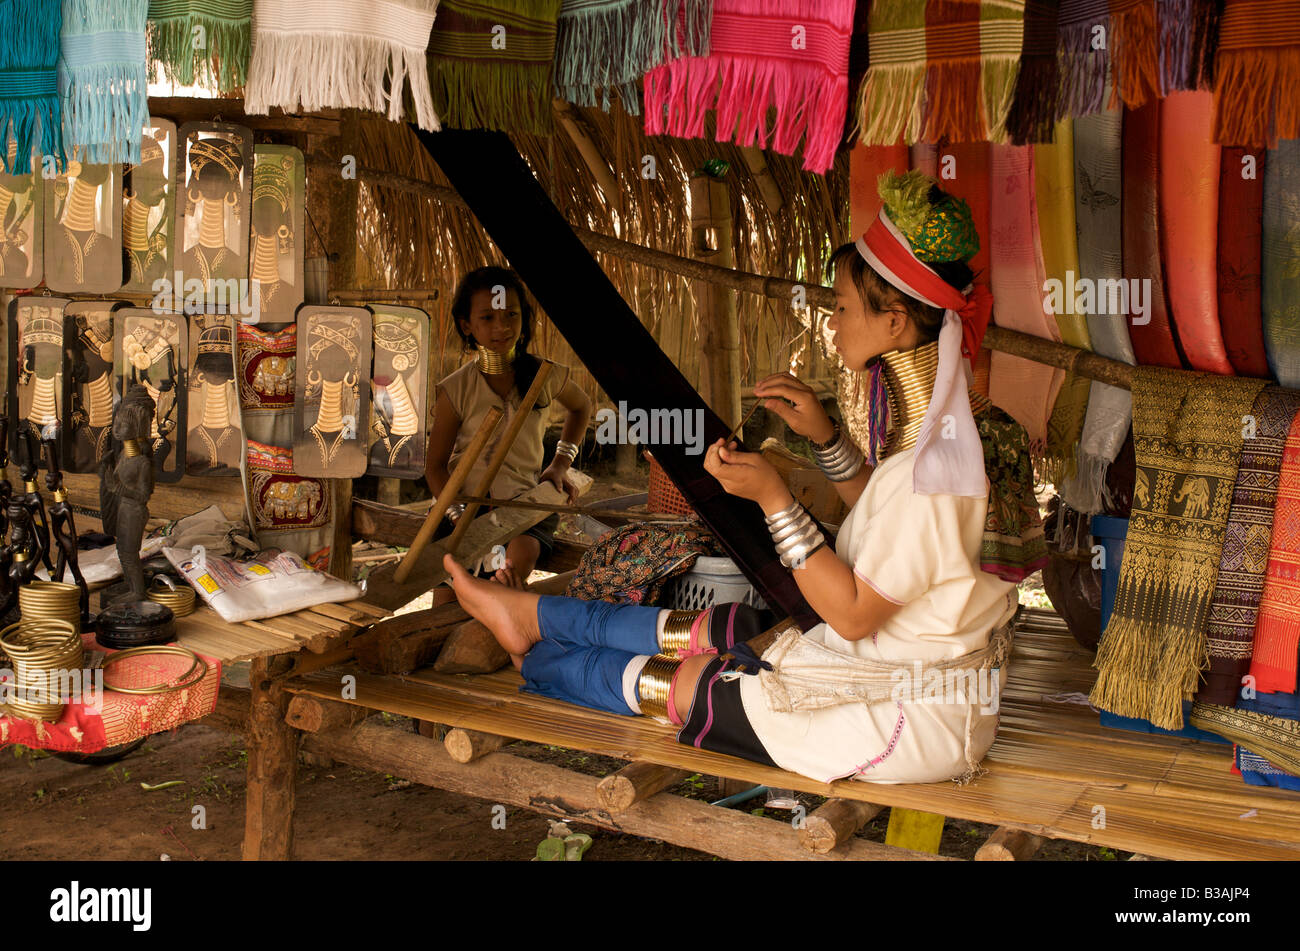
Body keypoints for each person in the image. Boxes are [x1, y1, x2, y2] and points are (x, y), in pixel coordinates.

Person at [444, 170, 1033, 786]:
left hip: (907, 717)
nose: (831, 323)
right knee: (738, 629)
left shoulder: (933, 470)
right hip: (900, 671)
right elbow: (894, 531)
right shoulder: (948, 442)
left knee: (702, 683)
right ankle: (531, 617)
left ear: (892, 322)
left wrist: (776, 499)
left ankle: (535, 652)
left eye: (839, 307)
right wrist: (825, 438)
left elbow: (857, 615)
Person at [426, 266, 592, 593]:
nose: (502, 327)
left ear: (523, 318)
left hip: (522, 509)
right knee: (445, 608)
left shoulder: (543, 377)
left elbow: (581, 406)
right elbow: (434, 467)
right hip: (458, 510)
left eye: (511, 315)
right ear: (467, 325)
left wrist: (560, 463)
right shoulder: (454, 390)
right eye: (487, 318)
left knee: (510, 572)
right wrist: (460, 518)